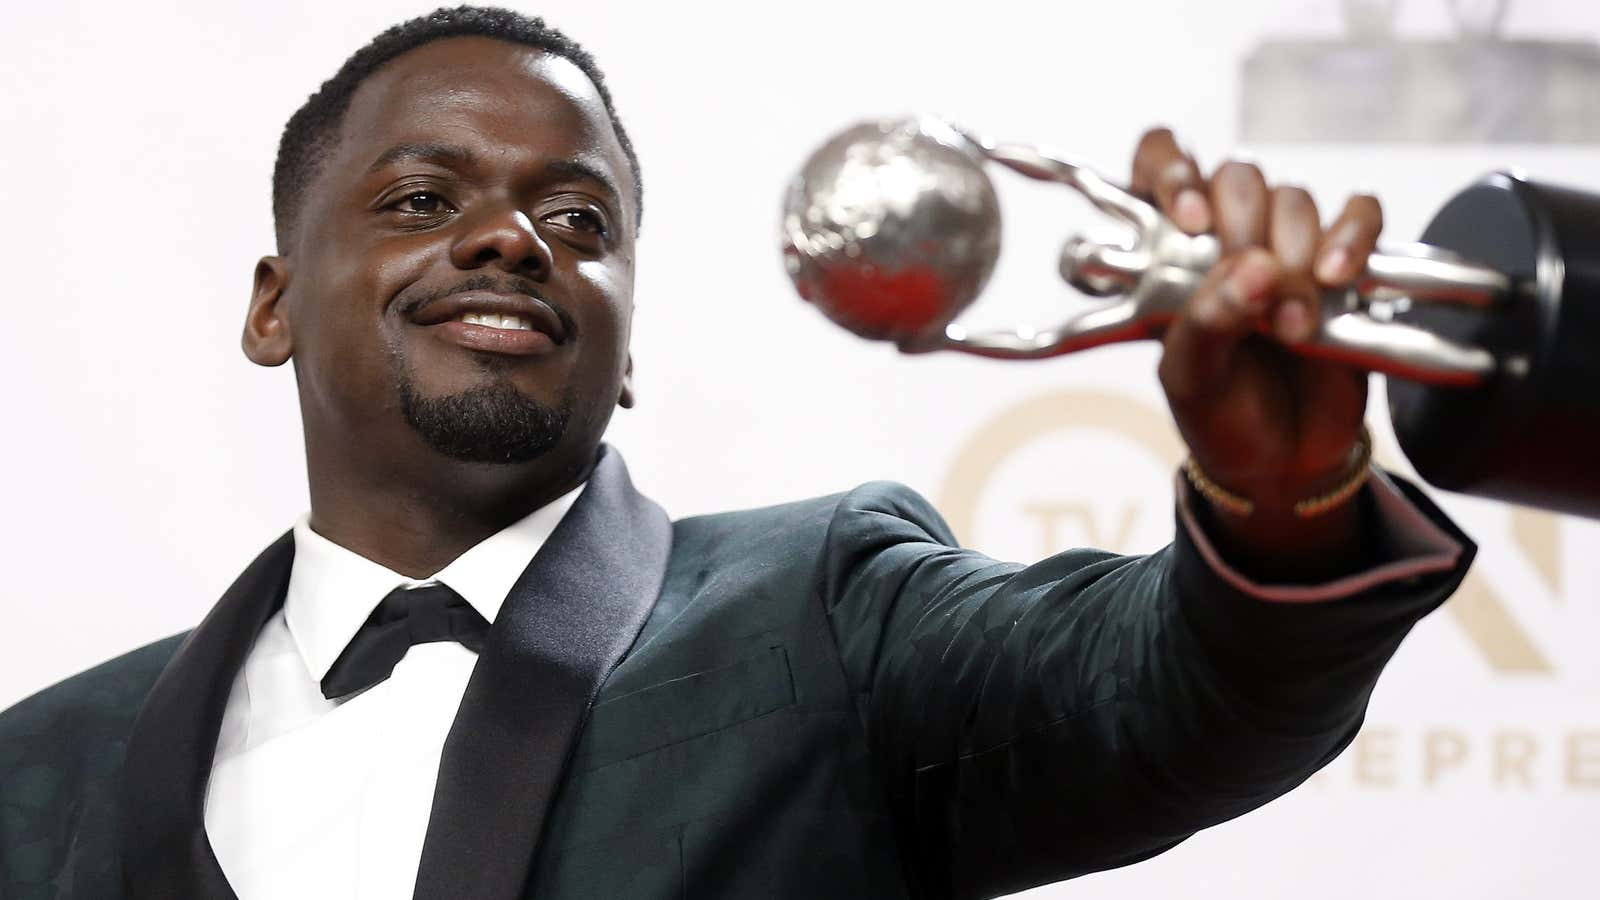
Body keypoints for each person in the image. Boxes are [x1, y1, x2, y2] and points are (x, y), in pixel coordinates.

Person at [0, 7, 1471, 900]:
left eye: (579, 224)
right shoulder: (38, 766)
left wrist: (1281, 504)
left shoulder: (825, 610)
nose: (512, 236)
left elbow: (1165, 694)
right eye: (419, 195)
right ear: (271, 306)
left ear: (625, 350)